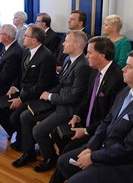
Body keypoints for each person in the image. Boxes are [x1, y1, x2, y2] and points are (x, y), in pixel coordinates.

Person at [57, 49, 133, 183]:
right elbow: (107, 121)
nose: (123, 69)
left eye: (129, 67)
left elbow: (129, 149)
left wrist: (93, 157)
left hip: (126, 165)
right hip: (106, 149)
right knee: (63, 162)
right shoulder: (127, 90)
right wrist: (90, 147)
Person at [12, 30, 91, 172]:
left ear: (77, 45)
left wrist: (50, 97)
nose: (63, 44)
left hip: (68, 109)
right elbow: (61, 84)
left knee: (38, 130)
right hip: (57, 102)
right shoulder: (69, 59)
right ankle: (29, 152)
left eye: (66, 41)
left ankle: (50, 158)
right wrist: (49, 93)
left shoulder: (83, 66)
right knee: (25, 116)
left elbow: (74, 97)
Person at [49, 37, 126, 183]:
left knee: (67, 151)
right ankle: (75, 169)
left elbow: (110, 117)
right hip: (86, 123)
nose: (86, 56)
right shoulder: (95, 71)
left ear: (102, 55)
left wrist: (86, 131)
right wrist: (77, 115)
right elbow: (87, 99)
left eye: (90, 53)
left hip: (99, 131)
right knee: (57, 134)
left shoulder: (117, 79)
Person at [0, 24, 56, 147]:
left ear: (34, 40)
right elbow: (20, 74)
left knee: (15, 117)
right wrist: (14, 87)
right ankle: (22, 135)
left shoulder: (46, 56)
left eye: (26, 36)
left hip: (35, 96)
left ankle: (25, 141)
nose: (23, 38)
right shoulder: (26, 51)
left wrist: (21, 99)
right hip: (22, 91)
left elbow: (41, 85)